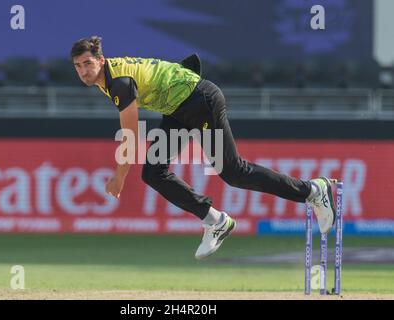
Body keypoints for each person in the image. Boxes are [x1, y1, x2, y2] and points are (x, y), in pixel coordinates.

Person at [70, 36, 337, 260]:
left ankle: (314, 191)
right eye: (78, 66)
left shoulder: (119, 82)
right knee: (153, 173)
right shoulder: (108, 79)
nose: (84, 71)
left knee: (234, 172)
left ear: (101, 61)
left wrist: (119, 177)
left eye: (88, 63)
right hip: (178, 108)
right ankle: (215, 221)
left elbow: (130, 137)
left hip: (200, 101)